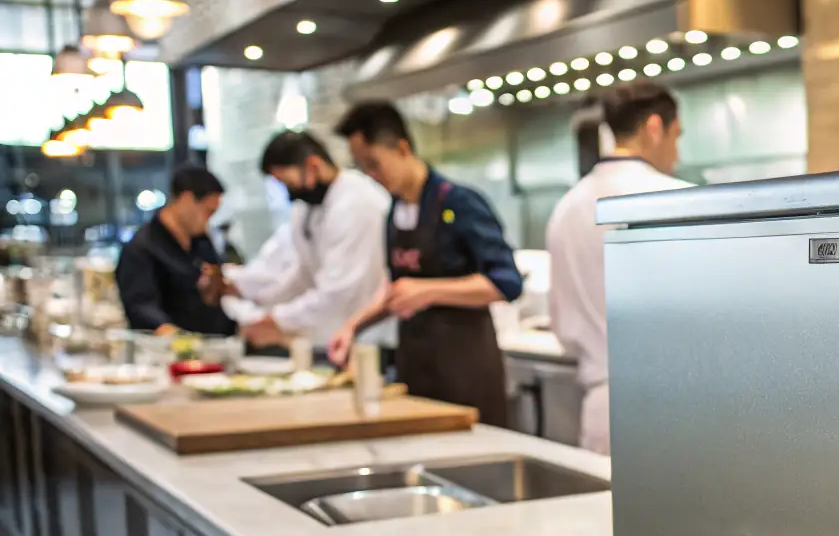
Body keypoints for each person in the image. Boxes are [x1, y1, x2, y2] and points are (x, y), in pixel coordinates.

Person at [328, 102, 522, 425]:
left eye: (374, 164)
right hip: (416, 368)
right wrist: (353, 327)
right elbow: (399, 290)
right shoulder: (395, 212)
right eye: (363, 167)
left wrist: (429, 291)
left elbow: (506, 282)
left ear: (402, 148)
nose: (371, 176)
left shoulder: (460, 203)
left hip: (465, 371)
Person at [545, 82, 690, 455]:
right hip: (674, 403)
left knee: (605, 513)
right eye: (677, 136)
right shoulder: (680, 200)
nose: (677, 153)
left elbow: (562, 325)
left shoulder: (567, 207)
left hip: (602, 409)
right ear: (655, 128)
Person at [226, 130, 392, 356]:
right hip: (327, 338)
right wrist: (265, 308)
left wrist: (277, 319)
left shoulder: (358, 203)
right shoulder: (307, 207)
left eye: (289, 183)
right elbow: (303, 273)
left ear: (313, 165)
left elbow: (338, 291)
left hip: (368, 340)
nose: (290, 194)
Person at [115, 163, 236, 336]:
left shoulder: (202, 242)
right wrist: (177, 337)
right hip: (170, 351)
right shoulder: (142, 248)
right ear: (186, 199)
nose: (208, 222)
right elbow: (141, 307)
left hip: (215, 343)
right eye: (207, 213)